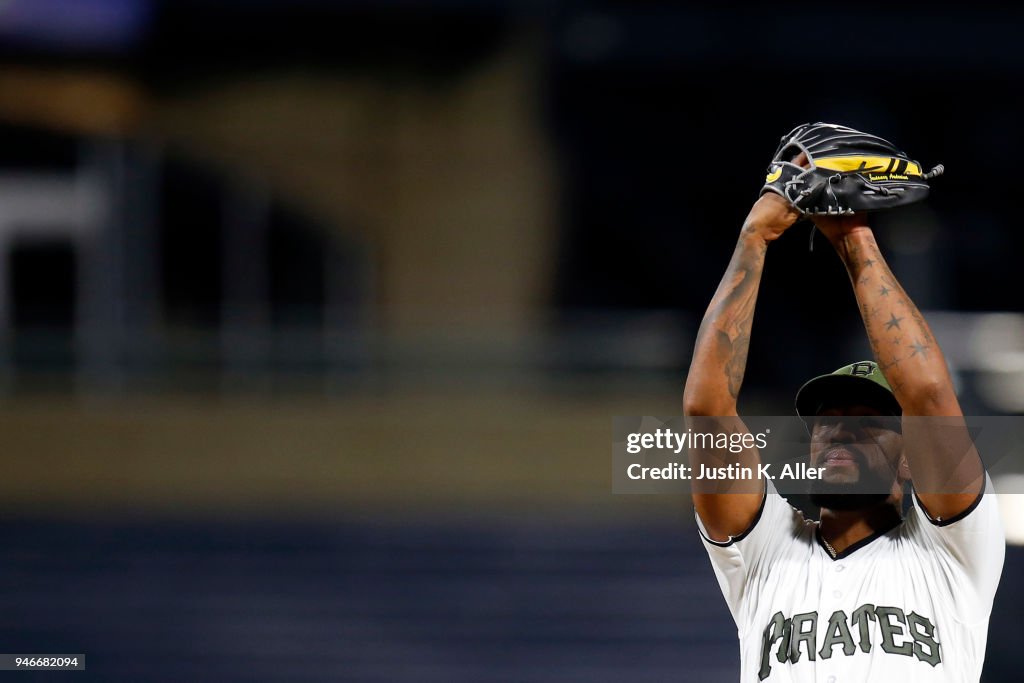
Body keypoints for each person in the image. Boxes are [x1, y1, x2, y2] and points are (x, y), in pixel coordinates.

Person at [681, 192, 1005, 681]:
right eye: (826, 419)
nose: (839, 431)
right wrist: (755, 238)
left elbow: (930, 397)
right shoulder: (766, 550)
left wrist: (853, 237)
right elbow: (707, 411)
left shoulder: (954, 548)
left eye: (868, 420)